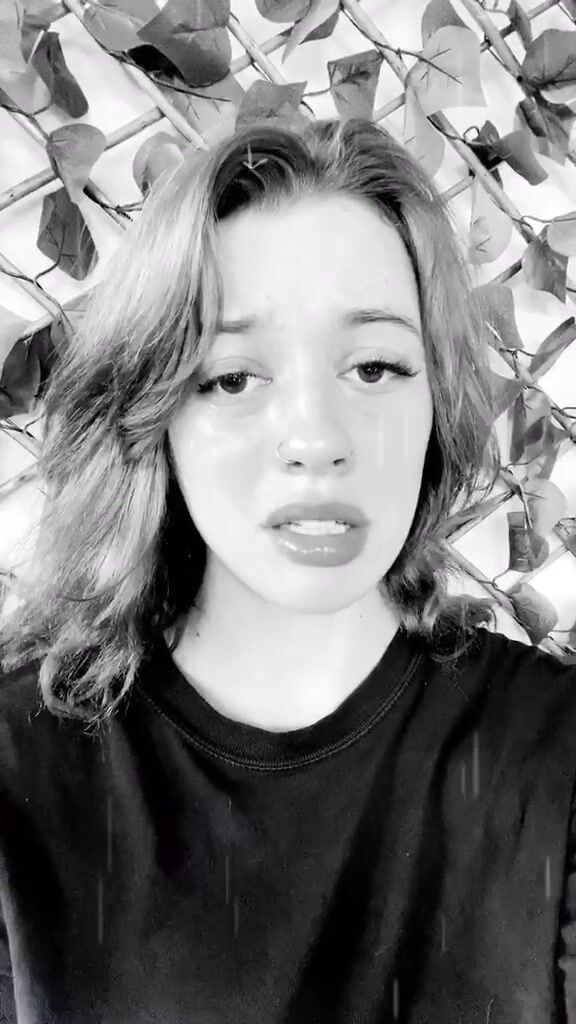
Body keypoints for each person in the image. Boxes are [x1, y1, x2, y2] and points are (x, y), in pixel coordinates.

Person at [0, 114, 575, 1024]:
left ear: (438, 400)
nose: (316, 438)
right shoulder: (18, 764)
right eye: (233, 377)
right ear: (156, 411)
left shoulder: (554, 758)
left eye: (376, 367)